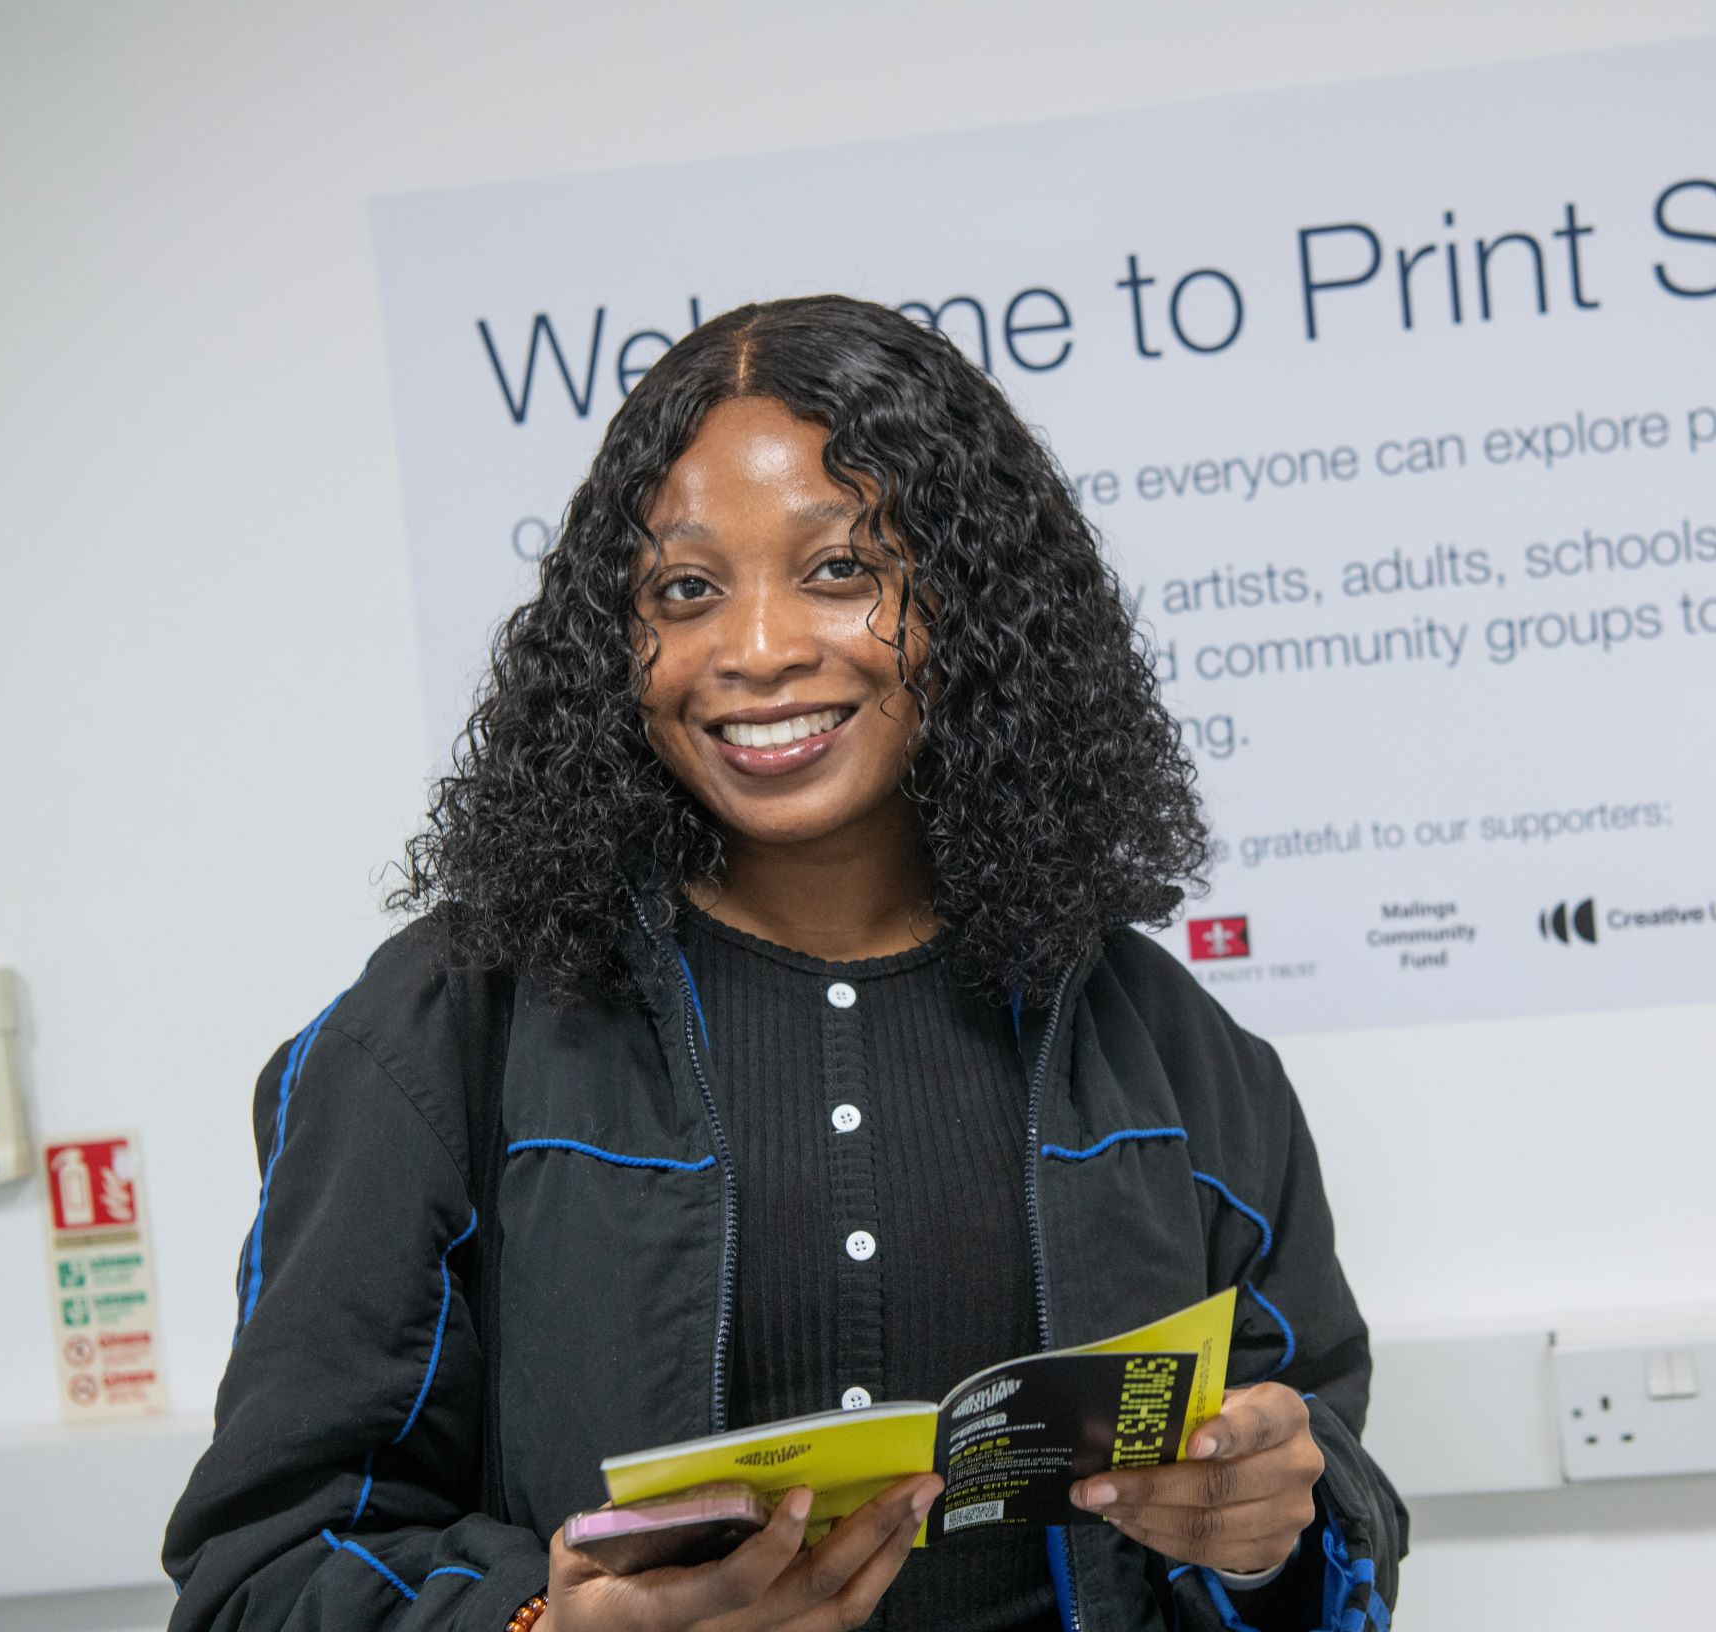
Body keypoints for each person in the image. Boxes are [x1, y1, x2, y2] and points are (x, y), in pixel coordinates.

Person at [164, 294, 1406, 1632]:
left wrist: (1267, 1532)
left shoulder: (1171, 1052)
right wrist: (546, 1629)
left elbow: (1321, 1498)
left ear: (973, 614)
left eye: (839, 572)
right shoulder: (436, 1036)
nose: (754, 652)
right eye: (684, 590)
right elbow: (264, 1575)